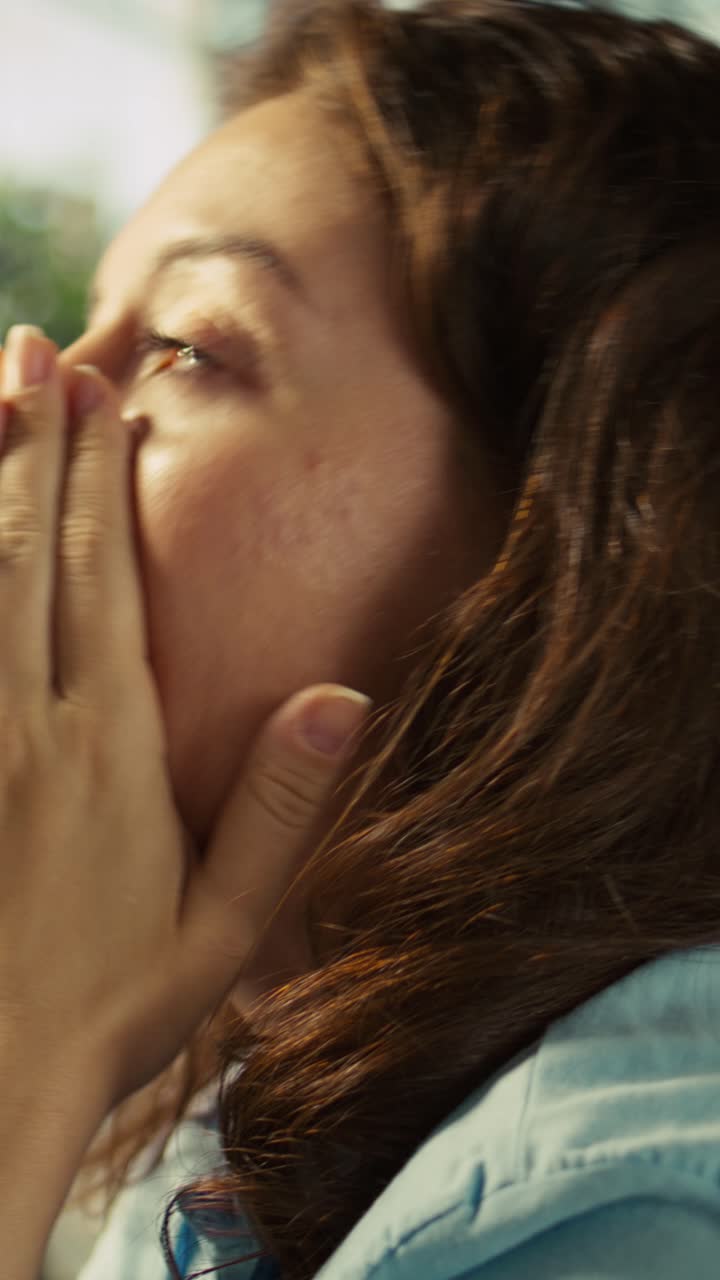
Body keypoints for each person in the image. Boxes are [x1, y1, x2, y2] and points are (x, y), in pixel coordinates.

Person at [2, 1, 720, 1278]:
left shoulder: (637, 1217)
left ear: (568, 559)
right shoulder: (245, 1142)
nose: (28, 407)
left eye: (184, 345)